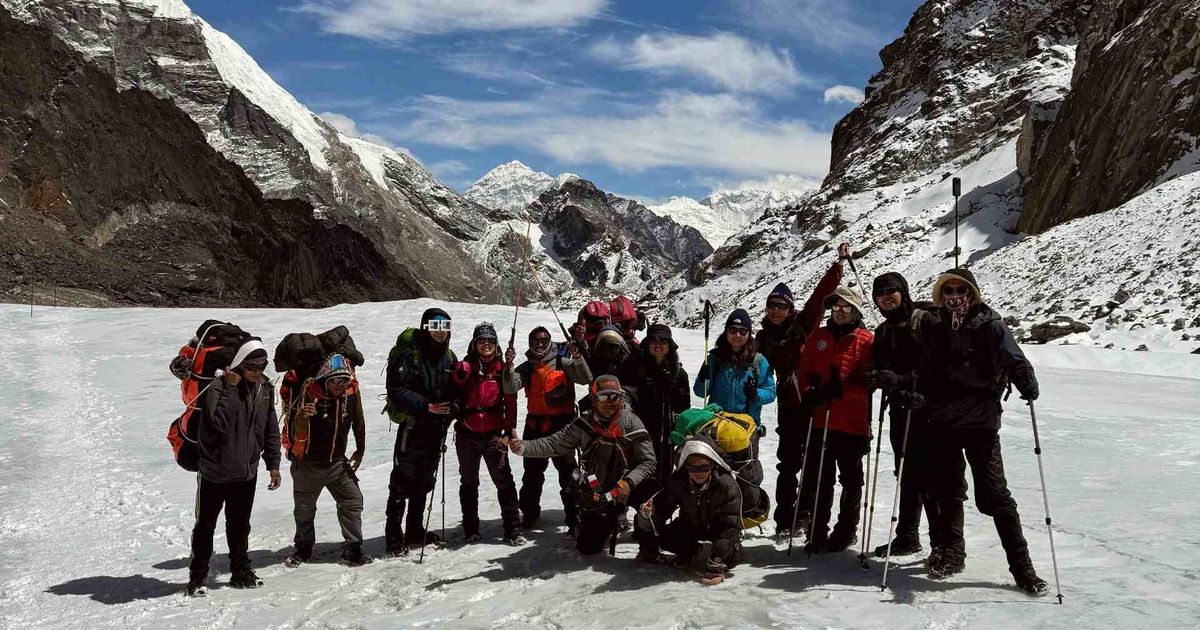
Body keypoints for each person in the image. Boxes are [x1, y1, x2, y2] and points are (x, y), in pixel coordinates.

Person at [919, 269, 1048, 596]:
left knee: (994, 497)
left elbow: (1014, 358)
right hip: (942, 422)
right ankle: (953, 555)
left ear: (973, 292)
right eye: (947, 289)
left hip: (980, 424)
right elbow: (925, 367)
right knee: (948, 490)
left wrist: (1026, 381)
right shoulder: (936, 326)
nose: (954, 294)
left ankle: (1024, 571)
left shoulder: (990, 324)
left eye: (960, 288)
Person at [505, 375, 657, 556]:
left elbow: (648, 461)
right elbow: (554, 444)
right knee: (588, 547)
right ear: (593, 399)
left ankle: (648, 546)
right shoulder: (584, 425)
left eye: (614, 396)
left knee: (649, 496)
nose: (609, 402)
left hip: (627, 486)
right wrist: (523, 447)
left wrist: (629, 482)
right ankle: (597, 522)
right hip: (599, 490)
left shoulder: (631, 423)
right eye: (603, 396)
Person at [758, 245, 847, 537]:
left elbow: (821, 297)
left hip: (812, 400)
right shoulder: (763, 337)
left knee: (811, 462)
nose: (775, 311)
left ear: (789, 309)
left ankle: (805, 514)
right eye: (772, 306)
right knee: (788, 464)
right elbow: (751, 362)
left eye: (780, 306)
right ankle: (785, 518)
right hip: (787, 404)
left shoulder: (803, 325)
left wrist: (838, 265)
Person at [187, 338, 281, 597]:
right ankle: (198, 576)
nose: (258, 371)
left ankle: (241, 571)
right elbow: (219, 424)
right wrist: (230, 389)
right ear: (239, 364)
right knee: (206, 525)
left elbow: (270, 427)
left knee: (240, 524)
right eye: (252, 366)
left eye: (262, 366)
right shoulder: (217, 388)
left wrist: (273, 464)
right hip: (215, 472)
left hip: (246, 471)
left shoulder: (264, 388)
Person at [863, 272, 942, 558]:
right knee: (906, 474)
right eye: (880, 292)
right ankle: (908, 537)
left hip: (928, 411)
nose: (886, 296)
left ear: (903, 291)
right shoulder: (883, 331)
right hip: (899, 410)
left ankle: (942, 544)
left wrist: (901, 379)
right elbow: (882, 365)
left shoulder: (926, 322)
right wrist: (877, 377)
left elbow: (942, 368)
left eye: (891, 290)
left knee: (931, 479)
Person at [795, 287, 874, 553]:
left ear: (856, 311)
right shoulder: (818, 336)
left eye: (846, 308)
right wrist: (809, 393)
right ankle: (817, 532)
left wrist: (844, 387)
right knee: (821, 478)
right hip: (822, 420)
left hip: (853, 422)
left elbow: (869, 380)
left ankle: (846, 531)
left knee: (851, 481)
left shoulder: (866, 340)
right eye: (836, 308)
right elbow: (803, 371)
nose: (840, 313)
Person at [280, 354, 368, 568]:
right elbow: (296, 436)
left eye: (345, 379)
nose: (341, 384)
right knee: (304, 509)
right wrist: (302, 417)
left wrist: (360, 450)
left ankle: (353, 547)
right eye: (336, 380)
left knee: (352, 501)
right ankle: (303, 547)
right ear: (325, 379)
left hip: (337, 463)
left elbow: (358, 420)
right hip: (308, 465)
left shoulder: (351, 393)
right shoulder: (308, 395)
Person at [383, 308, 458, 556]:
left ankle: (414, 530)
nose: (440, 333)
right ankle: (394, 536)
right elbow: (397, 389)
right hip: (413, 427)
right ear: (425, 328)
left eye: (444, 328)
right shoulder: (409, 355)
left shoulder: (449, 358)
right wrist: (427, 407)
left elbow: (458, 390)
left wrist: (453, 408)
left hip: (436, 430)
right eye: (435, 328)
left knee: (424, 481)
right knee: (402, 481)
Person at [503, 326, 593, 531]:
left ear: (551, 342)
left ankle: (574, 516)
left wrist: (578, 357)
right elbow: (509, 387)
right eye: (536, 341)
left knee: (569, 474)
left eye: (544, 340)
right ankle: (529, 513)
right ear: (529, 343)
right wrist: (508, 366)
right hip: (535, 426)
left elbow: (585, 378)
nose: (540, 344)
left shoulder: (563, 363)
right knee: (532, 475)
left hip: (563, 427)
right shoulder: (526, 367)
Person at [452, 322, 524, 545]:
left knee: (504, 481)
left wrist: (509, 432)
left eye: (490, 341)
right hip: (467, 433)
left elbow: (510, 403)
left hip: (494, 435)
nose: (486, 344)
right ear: (474, 344)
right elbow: (452, 391)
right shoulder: (464, 368)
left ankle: (512, 530)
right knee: (469, 482)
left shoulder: (502, 370)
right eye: (482, 340)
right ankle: (471, 529)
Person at [640, 436, 743, 584]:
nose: (698, 472)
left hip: (719, 529)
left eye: (703, 467)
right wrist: (650, 512)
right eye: (693, 468)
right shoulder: (677, 481)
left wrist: (717, 562)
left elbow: (730, 524)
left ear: (712, 465)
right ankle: (691, 551)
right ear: (685, 467)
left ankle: (716, 557)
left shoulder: (726, 484)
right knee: (665, 538)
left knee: (732, 555)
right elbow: (663, 507)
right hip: (690, 525)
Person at [693, 309, 777, 439]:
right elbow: (700, 392)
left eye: (742, 331)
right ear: (726, 332)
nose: (737, 335)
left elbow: (770, 392)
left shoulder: (758, 361)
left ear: (749, 334)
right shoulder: (715, 359)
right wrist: (702, 380)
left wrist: (756, 394)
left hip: (746, 428)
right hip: (717, 424)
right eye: (732, 330)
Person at [627, 323, 691, 485]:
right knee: (641, 470)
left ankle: (659, 507)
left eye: (663, 341)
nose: (658, 345)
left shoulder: (679, 373)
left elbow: (684, 407)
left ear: (670, 345)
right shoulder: (637, 368)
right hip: (641, 429)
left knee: (664, 473)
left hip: (667, 432)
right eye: (653, 341)